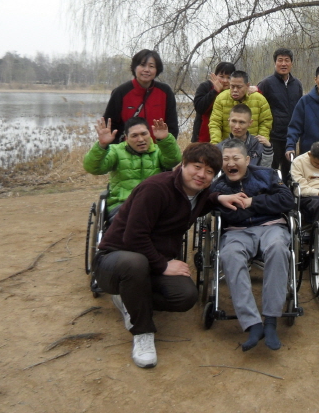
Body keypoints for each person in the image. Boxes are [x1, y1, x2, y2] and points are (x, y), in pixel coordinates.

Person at [92, 143, 223, 368]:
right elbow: (133, 237)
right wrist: (163, 265)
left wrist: (218, 199)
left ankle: (128, 298)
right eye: (197, 166)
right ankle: (142, 332)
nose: (202, 174)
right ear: (183, 164)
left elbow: (191, 206)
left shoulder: (200, 193)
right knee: (135, 263)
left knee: (185, 296)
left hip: (149, 263)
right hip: (114, 260)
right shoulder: (156, 188)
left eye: (209, 171)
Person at [212, 139, 295, 351]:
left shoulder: (267, 175)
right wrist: (222, 199)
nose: (231, 163)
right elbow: (216, 210)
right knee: (229, 255)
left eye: (236, 158)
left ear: (247, 160)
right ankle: (253, 324)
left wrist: (253, 202)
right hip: (237, 232)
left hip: (271, 227)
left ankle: (270, 321)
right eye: (225, 159)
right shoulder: (218, 186)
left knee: (278, 248)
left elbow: (287, 200)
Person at [83, 116, 182, 215]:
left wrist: (165, 139)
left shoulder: (159, 151)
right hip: (123, 205)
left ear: (149, 133)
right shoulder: (116, 151)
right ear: (126, 137)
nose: (141, 139)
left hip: (155, 204)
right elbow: (93, 168)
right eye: (134, 136)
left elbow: (174, 160)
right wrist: (101, 145)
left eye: (144, 134)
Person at [103, 49, 179, 141]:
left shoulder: (165, 92)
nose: (146, 70)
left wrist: (167, 146)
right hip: (127, 148)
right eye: (142, 65)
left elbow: (172, 126)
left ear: (157, 70)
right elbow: (110, 125)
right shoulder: (121, 92)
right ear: (135, 67)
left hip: (158, 148)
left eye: (151, 66)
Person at [257, 48, 304, 180]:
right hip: (273, 137)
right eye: (280, 60)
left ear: (291, 63)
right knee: (271, 171)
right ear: (275, 63)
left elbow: (300, 109)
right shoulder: (266, 83)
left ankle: (287, 192)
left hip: (291, 137)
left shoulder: (297, 84)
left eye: (287, 60)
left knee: (289, 172)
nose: (283, 64)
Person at [209, 70, 272, 144]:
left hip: (252, 145)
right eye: (232, 86)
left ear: (247, 86)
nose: (235, 90)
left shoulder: (259, 99)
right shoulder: (221, 98)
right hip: (227, 145)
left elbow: (266, 122)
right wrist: (216, 144)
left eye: (239, 87)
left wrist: (260, 143)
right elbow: (215, 123)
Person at [192, 62, 235, 142]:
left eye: (229, 77)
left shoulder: (236, 91)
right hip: (203, 137)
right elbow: (199, 108)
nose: (225, 81)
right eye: (221, 77)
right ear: (215, 76)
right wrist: (215, 91)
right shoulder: (205, 86)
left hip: (228, 138)